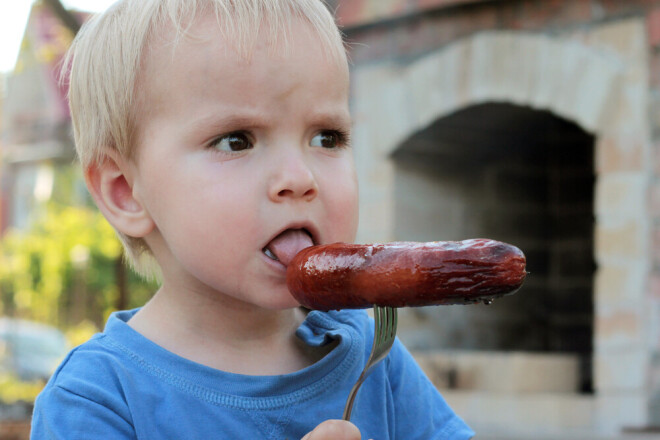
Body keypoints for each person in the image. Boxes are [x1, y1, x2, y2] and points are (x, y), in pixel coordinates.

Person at [30, 0, 475, 438]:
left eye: (326, 137)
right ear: (127, 192)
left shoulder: (371, 354)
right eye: (237, 141)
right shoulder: (97, 398)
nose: (300, 178)